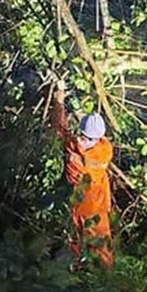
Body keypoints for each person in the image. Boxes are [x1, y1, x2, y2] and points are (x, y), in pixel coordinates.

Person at [51, 81, 114, 268]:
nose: (81, 138)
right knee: (96, 240)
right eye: (81, 134)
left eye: (85, 137)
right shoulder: (104, 148)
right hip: (99, 200)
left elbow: (59, 128)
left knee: (88, 237)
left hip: (85, 203)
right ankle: (94, 270)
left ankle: (96, 273)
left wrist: (59, 101)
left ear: (95, 139)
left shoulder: (76, 149)